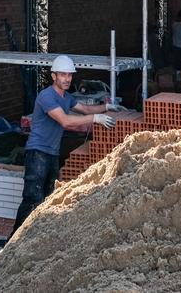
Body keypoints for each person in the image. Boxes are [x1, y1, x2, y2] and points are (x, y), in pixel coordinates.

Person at [12, 55, 121, 233]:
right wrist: (95, 118)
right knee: (33, 197)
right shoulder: (46, 96)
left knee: (49, 198)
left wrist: (106, 107)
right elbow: (65, 121)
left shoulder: (67, 97)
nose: (67, 79)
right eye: (63, 75)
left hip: (52, 154)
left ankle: (37, 239)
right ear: (54, 76)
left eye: (69, 75)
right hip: (37, 153)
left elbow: (85, 109)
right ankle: (13, 242)